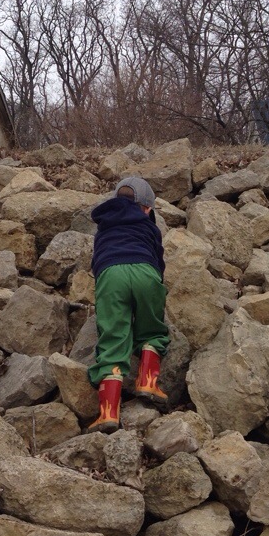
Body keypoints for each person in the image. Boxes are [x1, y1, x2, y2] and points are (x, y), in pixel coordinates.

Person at [87, 176, 170, 433]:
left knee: (113, 339)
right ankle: (147, 383)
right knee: (152, 329)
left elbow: (97, 260)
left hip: (111, 274)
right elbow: (159, 262)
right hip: (146, 271)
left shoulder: (104, 225)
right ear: (146, 208)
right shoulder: (149, 227)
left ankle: (108, 414)